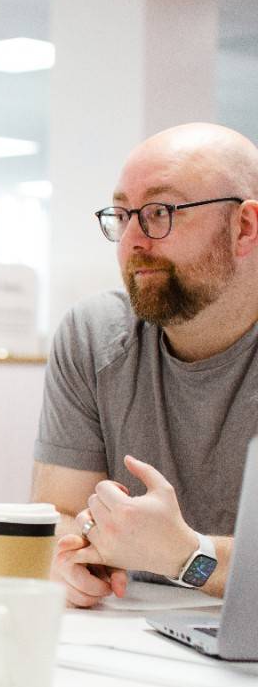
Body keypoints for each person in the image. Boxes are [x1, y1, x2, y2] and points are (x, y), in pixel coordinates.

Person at [32, 123, 258, 608]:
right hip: (129, 637)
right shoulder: (94, 336)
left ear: (244, 227)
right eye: (122, 215)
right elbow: (58, 514)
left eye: (160, 212)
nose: (133, 239)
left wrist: (188, 555)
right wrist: (72, 555)